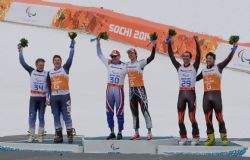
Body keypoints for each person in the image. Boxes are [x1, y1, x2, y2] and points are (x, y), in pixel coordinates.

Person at [196, 44, 238, 146]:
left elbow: (227, 60)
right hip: (206, 97)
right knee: (207, 118)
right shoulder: (204, 70)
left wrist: (233, 50)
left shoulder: (218, 67)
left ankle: (224, 137)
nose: (208, 60)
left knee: (219, 117)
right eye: (207, 59)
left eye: (210, 58)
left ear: (214, 60)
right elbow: (195, 79)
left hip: (216, 96)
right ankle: (211, 139)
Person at [166, 36, 201, 145]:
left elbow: (199, 56)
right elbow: (171, 56)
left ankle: (196, 136)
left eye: (187, 56)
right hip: (181, 93)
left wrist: (196, 42)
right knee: (180, 118)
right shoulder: (179, 67)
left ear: (190, 58)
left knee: (191, 117)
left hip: (191, 93)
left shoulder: (194, 67)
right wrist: (169, 43)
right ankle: (183, 136)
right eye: (184, 56)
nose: (185, 57)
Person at [96, 37, 127, 140]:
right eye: (112, 56)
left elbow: (134, 68)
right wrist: (98, 43)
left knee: (120, 111)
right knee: (109, 111)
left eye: (115, 56)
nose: (113, 58)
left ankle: (120, 132)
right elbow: (100, 55)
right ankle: (112, 131)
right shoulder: (108, 63)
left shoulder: (124, 65)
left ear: (119, 56)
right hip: (109, 89)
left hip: (119, 90)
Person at [47, 38, 76, 144]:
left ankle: (70, 135)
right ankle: (58, 136)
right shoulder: (49, 73)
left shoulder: (65, 68)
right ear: (53, 62)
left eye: (58, 60)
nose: (57, 61)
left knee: (67, 115)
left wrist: (72, 46)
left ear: (61, 61)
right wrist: (48, 98)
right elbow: (48, 86)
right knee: (56, 116)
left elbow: (71, 57)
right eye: (55, 60)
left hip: (65, 96)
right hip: (54, 98)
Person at [126, 40, 156, 140]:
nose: (130, 55)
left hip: (140, 90)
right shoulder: (127, 64)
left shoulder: (140, 63)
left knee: (145, 110)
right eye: (129, 53)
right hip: (131, 91)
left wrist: (154, 47)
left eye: (132, 53)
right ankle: (136, 133)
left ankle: (149, 132)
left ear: (135, 54)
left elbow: (151, 58)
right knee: (134, 112)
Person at [18, 44, 48, 143]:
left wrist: (48, 98)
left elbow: (49, 87)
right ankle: (31, 135)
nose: (41, 66)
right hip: (33, 99)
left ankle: (40, 136)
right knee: (32, 116)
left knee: (41, 117)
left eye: (43, 65)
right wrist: (20, 51)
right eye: (40, 65)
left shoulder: (47, 73)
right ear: (36, 65)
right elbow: (22, 63)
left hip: (43, 99)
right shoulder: (31, 71)